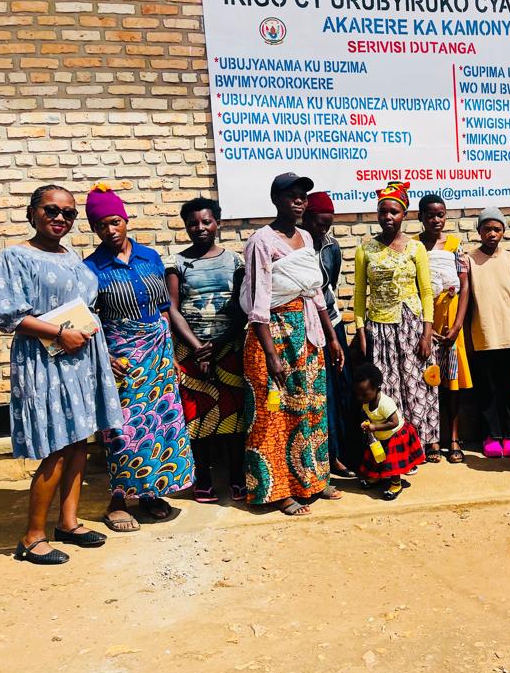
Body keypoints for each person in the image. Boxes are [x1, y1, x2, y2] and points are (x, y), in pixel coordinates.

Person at [0, 185, 123, 564]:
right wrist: (60, 334)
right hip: (45, 359)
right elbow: (7, 314)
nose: (60, 218)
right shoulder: (15, 257)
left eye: (68, 214)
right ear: (33, 214)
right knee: (56, 446)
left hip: (80, 358)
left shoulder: (72, 257)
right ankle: (32, 537)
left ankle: (68, 522)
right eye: (51, 211)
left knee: (79, 441)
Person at [83, 185, 195, 531]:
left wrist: (174, 355)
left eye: (114, 221)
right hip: (122, 356)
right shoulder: (91, 268)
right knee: (123, 428)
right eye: (101, 225)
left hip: (158, 353)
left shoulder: (150, 257)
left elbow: (164, 308)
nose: (110, 230)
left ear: (125, 219)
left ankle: (150, 493)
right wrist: (103, 356)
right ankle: (118, 500)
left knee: (161, 424)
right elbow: (88, 318)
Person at [240, 173, 344, 516]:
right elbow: (258, 303)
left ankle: (313, 480)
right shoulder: (261, 241)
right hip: (275, 334)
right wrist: (271, 355)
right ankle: (279, 491)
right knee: (275, 415)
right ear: (275, 199)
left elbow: (314, 291)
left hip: (309, 332)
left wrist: (331, 337)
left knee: (311, 409)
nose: (299, 202)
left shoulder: (305, 237)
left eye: (302, 196)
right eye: (291, 196)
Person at [165, 197, 248, 504]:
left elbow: (242, 307)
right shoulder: (177, 263)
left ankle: (237, 478)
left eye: (206, 221)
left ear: (218, 223)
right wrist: (198, 347)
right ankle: (203, 480)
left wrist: (218, 344)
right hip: (191, 351)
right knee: (197, 416)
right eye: (192, 223)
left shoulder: (235, 261)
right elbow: (171, 307)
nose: (199, 228)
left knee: (233, 415)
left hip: (228, 348)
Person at [353, 181, 440, 461]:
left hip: (412, 326)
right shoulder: (365, 250)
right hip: (379, 327)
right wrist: (360, 330)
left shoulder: (416, 249)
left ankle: (424, 443)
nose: (387, 217)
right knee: (387, 389)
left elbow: (426, 292)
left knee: (418, 385)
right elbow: (358, 294)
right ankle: (395, 448)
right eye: (383, 212)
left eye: (394, 212)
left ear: (404, 215)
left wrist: (427, 333)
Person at [413, 194, 473, 463]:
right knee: (427, 382)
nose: (435, 220)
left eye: (440, 214)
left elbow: (465, 284)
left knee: (451, 382)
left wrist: (458, 324)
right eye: (430, 215)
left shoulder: (455, 245)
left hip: (451, 323)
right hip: (424, 324)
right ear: (420, 217)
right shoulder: (413, 247)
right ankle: (431, 438)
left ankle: (454, 438)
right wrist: (423, 328)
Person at [302, 190, 357, 479]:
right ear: (306, 217)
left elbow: (329, 287)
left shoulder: (331, 247)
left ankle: (343, 452)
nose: (323, 229)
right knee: (321, 391)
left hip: (332, 323)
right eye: (319, 223)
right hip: (307, 326)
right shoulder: (295, 245)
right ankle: (328, 455)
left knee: (341, 385)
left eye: (328, 224)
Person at [467, 208, 510, 459]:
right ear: (479, 231)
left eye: (497, 229)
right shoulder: (469, 259)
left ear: (503, 232)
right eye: (487, 229)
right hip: (484, 335)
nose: (492, 233)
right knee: (487, 390)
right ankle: (491, 435)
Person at [353, 362, 425, 500]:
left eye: (364, 394)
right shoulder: (367, 402)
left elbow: (394, 422)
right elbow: (372, 416)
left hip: (395, 435)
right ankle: (376, 478)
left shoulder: (385, 403)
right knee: (377, 457)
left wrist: (374, 427)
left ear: (376, 388)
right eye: (358, 394)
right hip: (381, 436)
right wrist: (368, 424)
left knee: (392, 462)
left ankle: (396, 484)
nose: (361, 398)